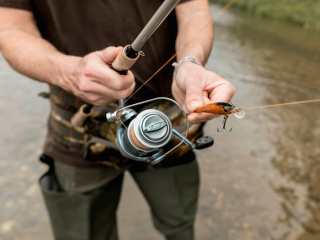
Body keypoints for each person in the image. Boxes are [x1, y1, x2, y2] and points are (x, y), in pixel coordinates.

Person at [0, 0, 235, 239]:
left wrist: (189, 62)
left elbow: (194, 8)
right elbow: (10, 29)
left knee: (180, 225)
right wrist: (69, 72)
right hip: (80, 132)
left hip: (165, 124)